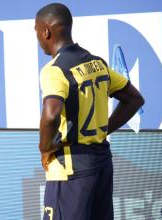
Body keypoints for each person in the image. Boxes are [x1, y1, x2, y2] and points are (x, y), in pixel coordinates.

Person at [35, 3, 144, 220]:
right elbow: (134, 100)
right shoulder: (98, 64)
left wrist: (45, 149)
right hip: (102, 163)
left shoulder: (55, 70)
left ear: (46, 32)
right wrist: (103, 129)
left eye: (36, 31)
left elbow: (51, 114)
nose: (37, 38)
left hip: (70, 169)